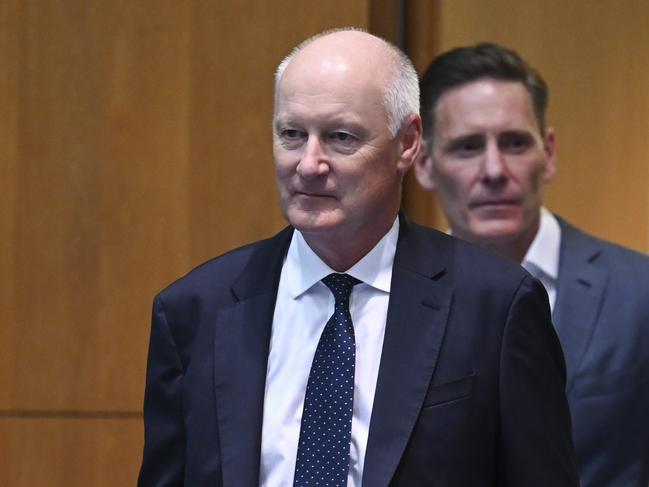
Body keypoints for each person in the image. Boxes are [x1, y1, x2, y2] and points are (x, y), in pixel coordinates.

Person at [138, 29, 579, 486]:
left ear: (408, 143)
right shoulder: (195, 311)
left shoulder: (496, 306)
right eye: (291, 134)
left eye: (340, 137)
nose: (308, 164)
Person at [415, 42, 649, 487]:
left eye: (515, 142)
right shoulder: (390, 303)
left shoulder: (640, 296)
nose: (495, 169)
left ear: (550, 152)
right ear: (425, 164)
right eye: (467, 147)